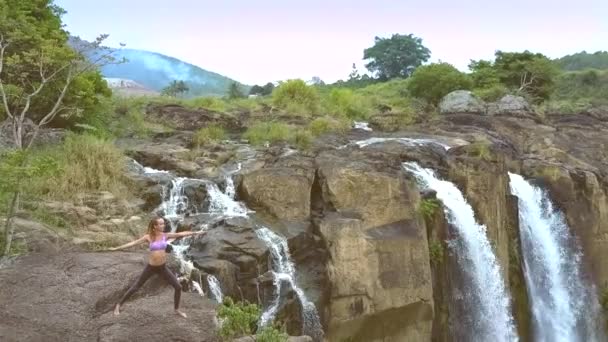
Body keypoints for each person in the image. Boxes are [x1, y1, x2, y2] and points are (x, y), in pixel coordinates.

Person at [108, 216, 205, 318]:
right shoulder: (148, 237)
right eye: (161, 224)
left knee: (178, 287)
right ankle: (119, 304)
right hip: (151, 267)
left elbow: (181, 234)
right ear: (155, 226)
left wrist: (197, 233)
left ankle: (176, 309)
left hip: (162, 267)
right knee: (136, 287)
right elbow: (133, 243)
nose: (163, 225)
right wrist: (116, 248)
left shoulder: (165, 235)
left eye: (163, 223)